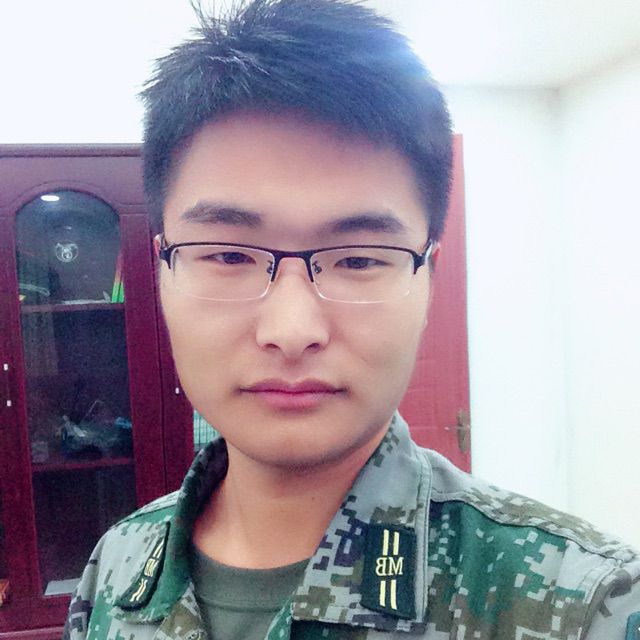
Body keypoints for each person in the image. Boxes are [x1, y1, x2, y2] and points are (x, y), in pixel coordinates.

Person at [64, 1, 640, 638]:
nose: (290, 331)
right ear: (162, 271)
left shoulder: (588, 604)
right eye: (228, 255)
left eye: (359, 259)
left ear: (427, 280)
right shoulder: (116, 566)